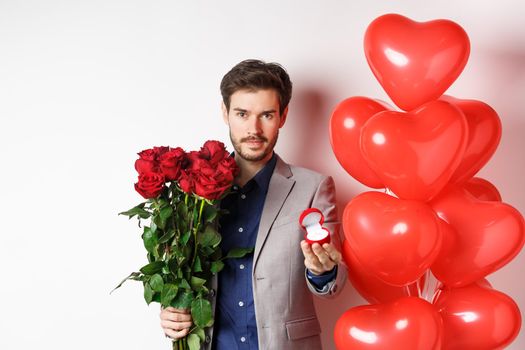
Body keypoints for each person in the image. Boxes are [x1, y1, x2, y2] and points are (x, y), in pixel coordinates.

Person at [160, 59, 346, 349]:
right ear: (225, 113)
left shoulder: (314, 187)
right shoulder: (193, 192)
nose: (254, 129)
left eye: (267, 115)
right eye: (242, 114)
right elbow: (182, 270)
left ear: (283, 116)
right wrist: (173, 311)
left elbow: (333, 284)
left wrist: (322, 271)